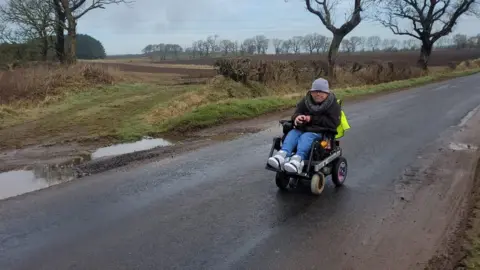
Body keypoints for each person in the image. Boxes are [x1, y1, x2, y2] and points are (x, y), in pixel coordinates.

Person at [268, 78, 341, 174]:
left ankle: (298, 160)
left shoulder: (333, 105)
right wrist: (297, 117)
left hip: (321, 131)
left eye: (321, 92)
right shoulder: (306, 101)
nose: (318, 94)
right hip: (303, 128)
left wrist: (311, 119)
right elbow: (296, 113)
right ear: (311, 92)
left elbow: (333, 122)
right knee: (293, 133)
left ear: (327, 93)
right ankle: (282, 155)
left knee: (306, 136)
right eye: (315, 91)